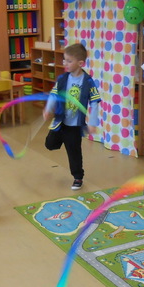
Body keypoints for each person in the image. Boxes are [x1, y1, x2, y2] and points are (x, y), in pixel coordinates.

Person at [43, 43, 100, 190]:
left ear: (80, 63)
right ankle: (62, 139)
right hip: (60, 121)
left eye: (69, 61)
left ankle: (78, 177)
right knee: (50, 144)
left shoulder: (88, 82)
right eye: (64, 60)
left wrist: (93, 123)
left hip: (74, 126)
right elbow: (53, 95)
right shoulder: (62, 79)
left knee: (74, 151)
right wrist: (48, 109)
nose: (65, 63)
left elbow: (95, 103)